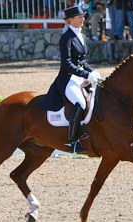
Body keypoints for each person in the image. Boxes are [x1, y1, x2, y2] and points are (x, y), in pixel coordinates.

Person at [39, 5, 101, 153]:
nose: (83, 19)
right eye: (79, 17)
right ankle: (72, 141)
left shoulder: (82, 36)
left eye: (83, 17)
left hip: (78, 77)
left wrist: (93, 72)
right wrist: (86, 75)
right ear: (70, 20)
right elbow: (67, 64)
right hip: (67, 79)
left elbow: (82, 62)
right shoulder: (66, 38)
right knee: (80, 102)